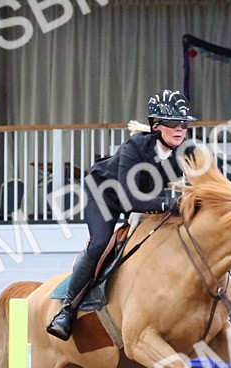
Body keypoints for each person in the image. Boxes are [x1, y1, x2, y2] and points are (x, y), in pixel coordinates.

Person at [46, 89, 197, 341]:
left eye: (184, 124)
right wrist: (169, 203)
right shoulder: (134, 147)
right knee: (100, 244)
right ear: (156, 126)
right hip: (106, 196)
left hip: (149, 199)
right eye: (173, 123)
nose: (180, 129)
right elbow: (131, 199)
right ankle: (67, 309)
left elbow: (199, 186)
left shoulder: (187, 152)